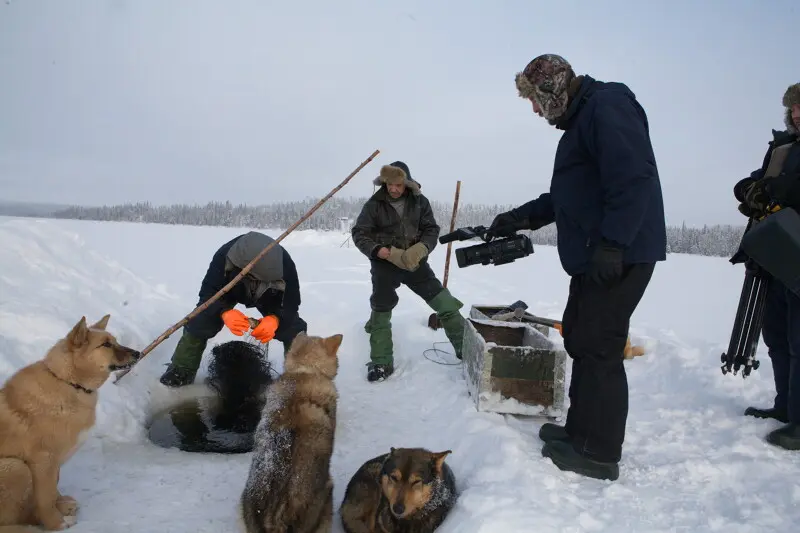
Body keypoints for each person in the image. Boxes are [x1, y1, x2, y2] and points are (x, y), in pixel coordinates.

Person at [487, 54, 667, 480]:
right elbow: (566, 198)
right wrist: (519, 217)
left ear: (553, 89)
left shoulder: (607, 106)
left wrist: (613, 243)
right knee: (583, 340)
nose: (534, 109)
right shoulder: (581, 121)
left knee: (601, 349)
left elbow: (632, 177)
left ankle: (600, 453)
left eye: (534, 99)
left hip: (618, 253)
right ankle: (580, 432)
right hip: (596, 254)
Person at [351, 161, 466, 382]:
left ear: (407, 184)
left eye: (398, 185)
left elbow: (431, 230)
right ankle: (381, 362)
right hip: (385, 265)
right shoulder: (374, 204)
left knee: (445, 304)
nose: (393, 189)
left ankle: (466, 352)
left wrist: (421, 248)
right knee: (381, 310)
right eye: (389, 184)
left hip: (415, 265)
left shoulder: (420, 202)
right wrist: (377, 250)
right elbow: (360, 233)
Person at [733, 82, 800, 451]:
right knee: (776, 334)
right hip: (776, 253)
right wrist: (750, 190)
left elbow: (782, 189)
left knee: (799, 338)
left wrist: (774, 191)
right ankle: (786, 405)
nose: (797, 114)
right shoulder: (782, 148)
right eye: (793, 109)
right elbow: (754, 184)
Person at [159, 231, 307, 387]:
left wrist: (276, 319)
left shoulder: (286, 264)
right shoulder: (223, 257)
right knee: (201, 319)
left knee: (293, 329)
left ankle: (298, 377)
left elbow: (291, 304)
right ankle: (181, 371)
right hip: (233, 289)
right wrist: (224, 312)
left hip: (269, 295)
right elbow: (207, 296)